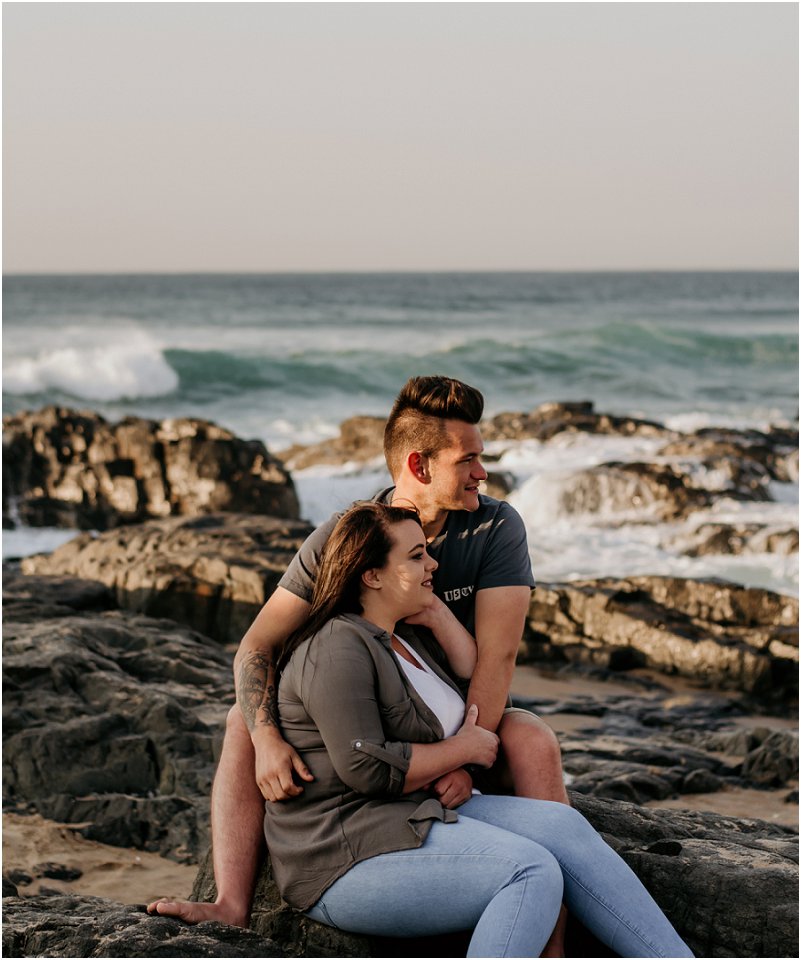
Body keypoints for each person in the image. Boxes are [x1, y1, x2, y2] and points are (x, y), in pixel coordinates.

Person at [148, 376, 568, 939]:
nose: (482, 473)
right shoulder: (352, 537)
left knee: (533, 739)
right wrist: (267, 738)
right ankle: (230, 903)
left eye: (481, 458)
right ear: (419, 466)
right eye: (468, 460)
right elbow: (257, 644)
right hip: (371, 718)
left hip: (464, 712)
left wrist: (463, 762)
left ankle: (553, 943)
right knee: (241, 721)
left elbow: (498, 660)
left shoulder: (494, 526)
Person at [255, 502, 694, 957]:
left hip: (411, 815)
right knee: (530, 870)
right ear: (372, 576)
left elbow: (473, 675)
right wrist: (463, 750)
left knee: (562, 825)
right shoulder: (336, 646)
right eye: (417, 556)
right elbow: (365, 768)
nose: (433, 564)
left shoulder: (401, 636)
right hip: (343, 853)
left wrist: (437, 613)